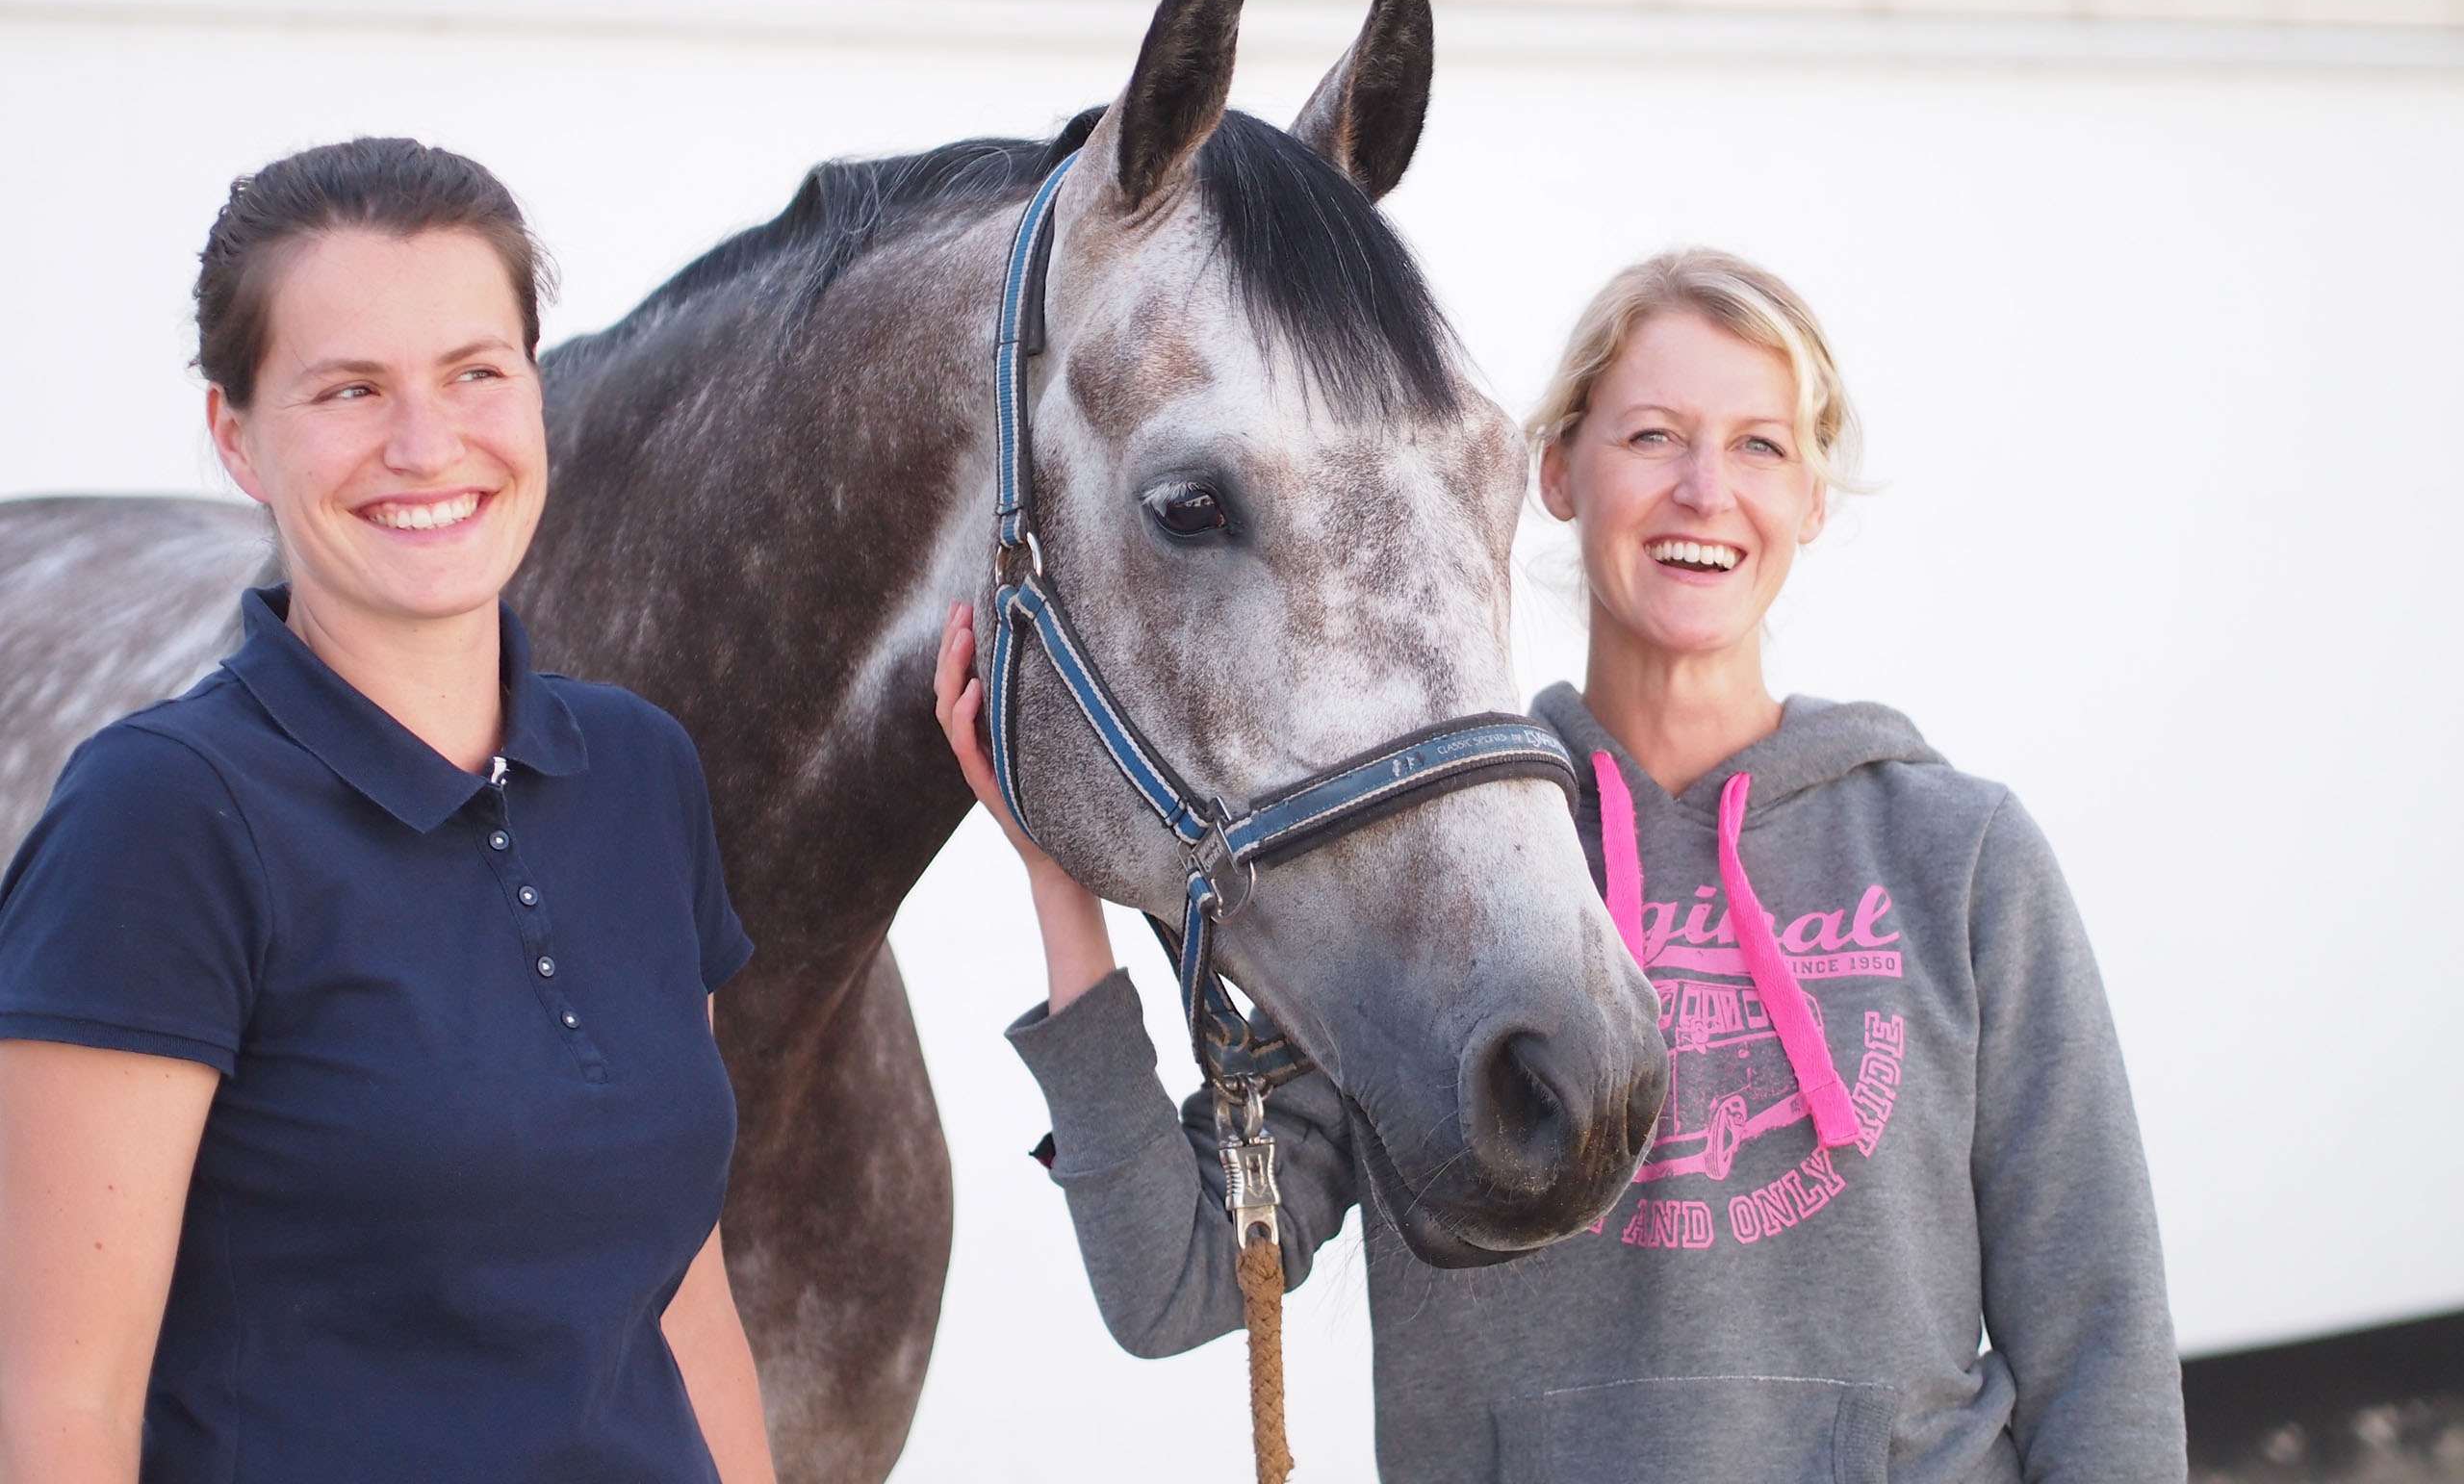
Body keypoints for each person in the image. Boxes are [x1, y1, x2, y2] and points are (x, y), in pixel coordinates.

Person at [933, 248, 2184, 1481]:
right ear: (1556, 474)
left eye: (1761, 444)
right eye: (1652, 436)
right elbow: (1178, 1284)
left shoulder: (1959, 858)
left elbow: (2100, 1337)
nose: (1706, 487)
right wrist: (1062, 885)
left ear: (1810, 499)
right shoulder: (1430, 869)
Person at [0, 140, 775, 1483]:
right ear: (237, 436)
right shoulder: (163, 818)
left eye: (477, 373)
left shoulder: (642, 774)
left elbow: (681, 1290)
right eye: (350, 389)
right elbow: (59, 1405)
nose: (428, 445)